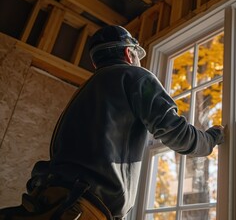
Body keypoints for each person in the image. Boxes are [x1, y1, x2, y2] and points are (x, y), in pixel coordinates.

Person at [0, 25, 224, 220]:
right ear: (129, 53)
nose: (139, 62)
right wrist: (212, 138)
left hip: (52, 200)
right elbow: (177, 134)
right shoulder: (135, 76)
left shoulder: (83, 92)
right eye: (138, 56)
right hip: (84, 209)